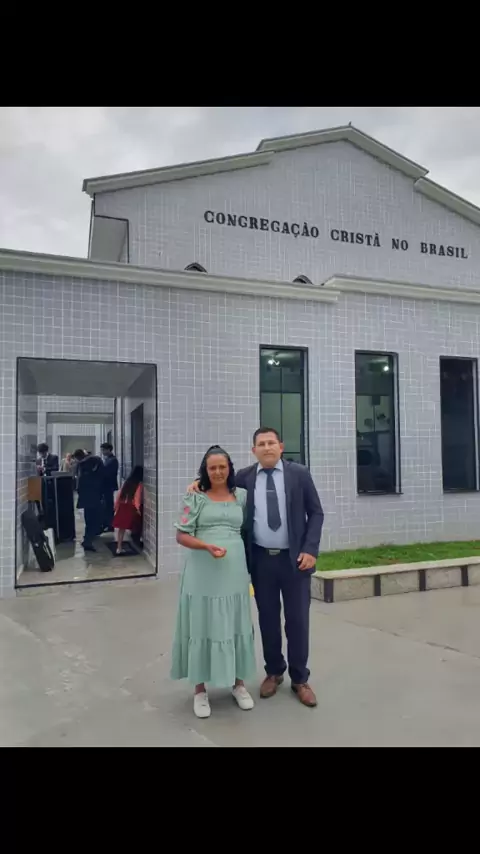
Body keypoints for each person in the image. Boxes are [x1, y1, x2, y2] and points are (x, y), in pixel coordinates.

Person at [188, 428, 324, 707]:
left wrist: (310, 549)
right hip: (261, 561)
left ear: (281, 446)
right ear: (254, 451)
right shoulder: (245, 478)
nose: (267, 447)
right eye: (261, 444)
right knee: (267, 619)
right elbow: (218, 483)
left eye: (271, 442)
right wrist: (197, 483)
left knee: (298, 621)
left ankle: (300, 678)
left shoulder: (299, 474)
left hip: (295, 561)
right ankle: (274, 672)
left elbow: (316, 512)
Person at [171, 445, 256, 719]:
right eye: (212, 468)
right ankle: (199, 690)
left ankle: (238, 684)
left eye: (222, 467)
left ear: (229, 468)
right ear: (205, 471)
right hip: (202, 570)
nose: (218, 472)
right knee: (202, 622)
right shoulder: (194, 497)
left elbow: (247, 528)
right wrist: (206, 546)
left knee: (235, 621)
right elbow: (181, 535)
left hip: (234, 570)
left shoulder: (241, 496)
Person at [72, 449, 104, 552]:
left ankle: (87, 539)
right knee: (94, 520)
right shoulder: (95, 463)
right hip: (94, 497)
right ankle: (88, 541)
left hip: (86, 497)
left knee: (89, 519)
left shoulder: (81, 467)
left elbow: (78, 485)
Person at [113, 466, 143, 556]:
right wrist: (138, 509)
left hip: (122, 506)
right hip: (130, 507)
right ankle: (137, 541)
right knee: (136, 525)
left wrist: (116, 506)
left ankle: (119, 548)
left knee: (121, 528)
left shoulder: (127, 482)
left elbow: (119, 495)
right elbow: (137, 498)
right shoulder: (139, 485)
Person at [100, 442, 119, 532]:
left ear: (108, 450)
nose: (102, 452)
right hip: (107, 486)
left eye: (103, 450)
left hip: (108, 486)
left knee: (108, 506)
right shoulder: (108, 459)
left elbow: (106, 473)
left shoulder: (112, 460)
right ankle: (107, 524)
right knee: (106, 505)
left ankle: (110, 525)